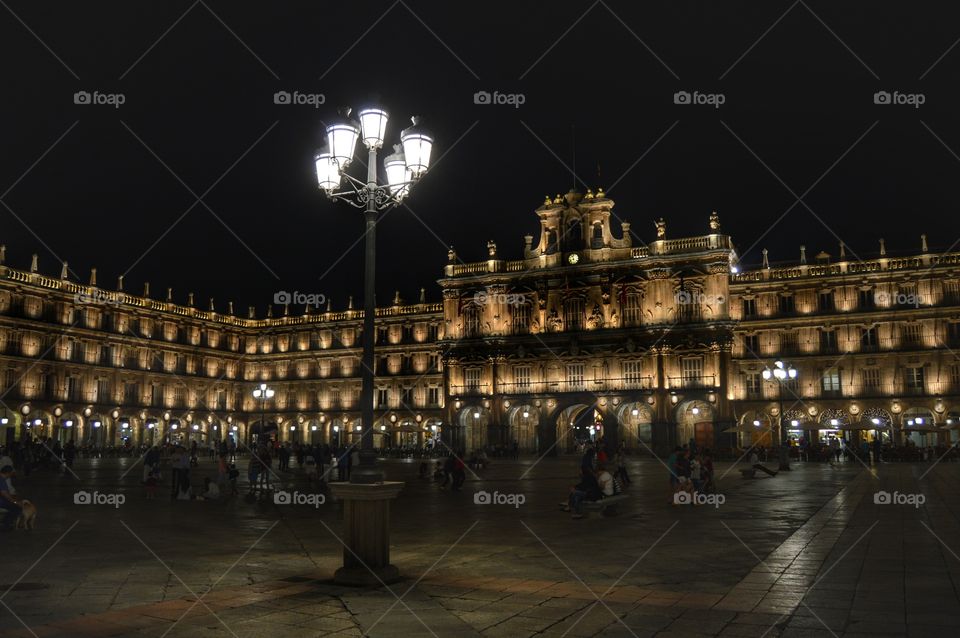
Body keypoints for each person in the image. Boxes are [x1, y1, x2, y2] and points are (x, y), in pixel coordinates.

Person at [0, 466, 23, 531]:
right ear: (8, 473)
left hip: (2, 499)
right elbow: (4, 494)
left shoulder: (2, 479)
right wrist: (15, 502)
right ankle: (5, 525)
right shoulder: (1, 480)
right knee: (17, 508)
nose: (12, 474)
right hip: (1, 501)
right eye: (11, 473)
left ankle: (4, 522)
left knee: (14, 502)